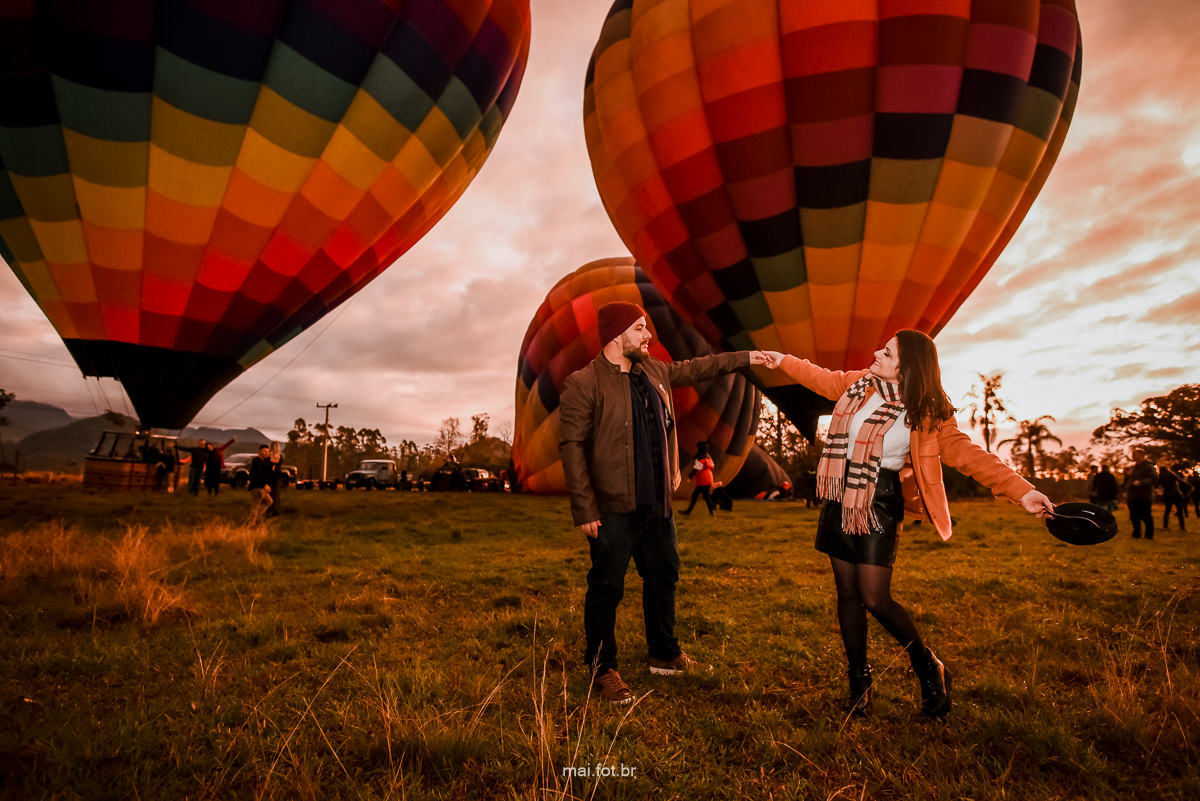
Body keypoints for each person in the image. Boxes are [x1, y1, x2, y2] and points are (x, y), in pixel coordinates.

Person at [757, 332, 1054, 719]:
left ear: (908, 366)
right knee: (847, 593)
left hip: (877, 502)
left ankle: (928, 666)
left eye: (888, 352)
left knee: (875, 597)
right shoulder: (858, 384)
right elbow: (819, 377)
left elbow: (970, 455)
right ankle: (859, 684)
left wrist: (1022, 490)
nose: (877, 353)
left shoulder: (928, 412)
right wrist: (781, 359)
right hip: (837, 493)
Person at [559, 301, 773, 704]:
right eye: (640, 328)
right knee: (607, 585)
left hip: (657, 505)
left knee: (664, 576)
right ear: (617, 333)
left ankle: (664, 653)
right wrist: (584, 508)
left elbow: (698, 368)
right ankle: (602, 667)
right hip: (611, 506)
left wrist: (745, 357)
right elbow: (572, 447)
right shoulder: (584, 383)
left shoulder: (655, 371)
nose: (648, 336)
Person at [1124, 448, 1158, 540]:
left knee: (1146, 515)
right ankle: (1136, 533)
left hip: (1144, 495)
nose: (1133, 456)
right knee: (1134, 515)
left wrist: (1141, 482)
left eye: (1135, 454)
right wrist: (1127, 490)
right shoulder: (1136, 467)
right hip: (1133, 495)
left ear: (1142, 455)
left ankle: (1149, 535)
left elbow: (1154, 478)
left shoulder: (1148, 466)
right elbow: (1131, 480)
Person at [680, 441, 716, 515]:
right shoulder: (708, 456)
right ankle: (712, 510)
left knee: (695, 495)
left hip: (703, 479)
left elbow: (696, 469)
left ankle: (688, 511)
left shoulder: (701, 458)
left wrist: (690, 476)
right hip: (708, 478)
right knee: (706, 496)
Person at [247, 444, 277, 524]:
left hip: (261, 487)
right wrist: (265, 485)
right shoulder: (256, 461)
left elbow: (268, 474)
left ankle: (255, 518)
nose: (266, 453)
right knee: (256, 506)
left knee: (269, 501)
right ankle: (251, 524)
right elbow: (259, 475)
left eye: (267, 451)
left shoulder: (264, 462)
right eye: (265, 451)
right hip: (256, 487)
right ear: (260, 451)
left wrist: (272, 464)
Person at [1159, 462, 1188, 531]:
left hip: (1167, 494)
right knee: (1180, 511)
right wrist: (1190, 486)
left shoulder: (1160, 477)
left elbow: (1157, 485)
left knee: (1167, 510)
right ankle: (1182, 527)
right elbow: (1180, 481)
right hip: (1176, 493)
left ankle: (1165, 526)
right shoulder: (1171, 474)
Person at [266, 442, 284, 518]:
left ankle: (268, 510)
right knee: (276, 494)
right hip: (277, 476)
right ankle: (275, 510)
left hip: (269, 475)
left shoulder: (268, 456)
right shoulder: (280, 456)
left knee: (269, 493)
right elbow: (279, 466)